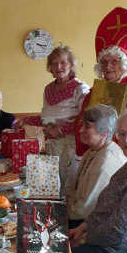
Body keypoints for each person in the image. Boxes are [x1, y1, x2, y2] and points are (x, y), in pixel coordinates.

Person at [69, 107, 127, 253]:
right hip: (97, 242)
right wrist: (82, 227)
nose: (126, 139)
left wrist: (84, 237)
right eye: (122, 134)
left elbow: (120, 231)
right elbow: (102, 208)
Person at [75, 7, 127, 157]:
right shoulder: (94, 92)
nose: (108, 67)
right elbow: (81, 124)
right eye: (104, 62)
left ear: (124, 63)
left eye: (114, 61)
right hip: (100, 155)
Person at [68, 104, 127, 229]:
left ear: (104, 133)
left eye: (87, 126)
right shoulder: (92, 151)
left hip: (91, 225)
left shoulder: (105, 163)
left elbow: (87, 209)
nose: (81, 130)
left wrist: (59, 214)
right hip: (78, 216)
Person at [41, 46, 90, 195]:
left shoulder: (80, 88)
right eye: (54, 63)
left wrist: (60, 130)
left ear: (71, 65)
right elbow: (46, 114)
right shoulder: (48, 88)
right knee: (52, 183)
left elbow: (84, 119)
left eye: (63, 62)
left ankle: (69, 216)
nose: (58, 67)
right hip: (51, 143)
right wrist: (25, 122)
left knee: (68, 184)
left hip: (71, 143)